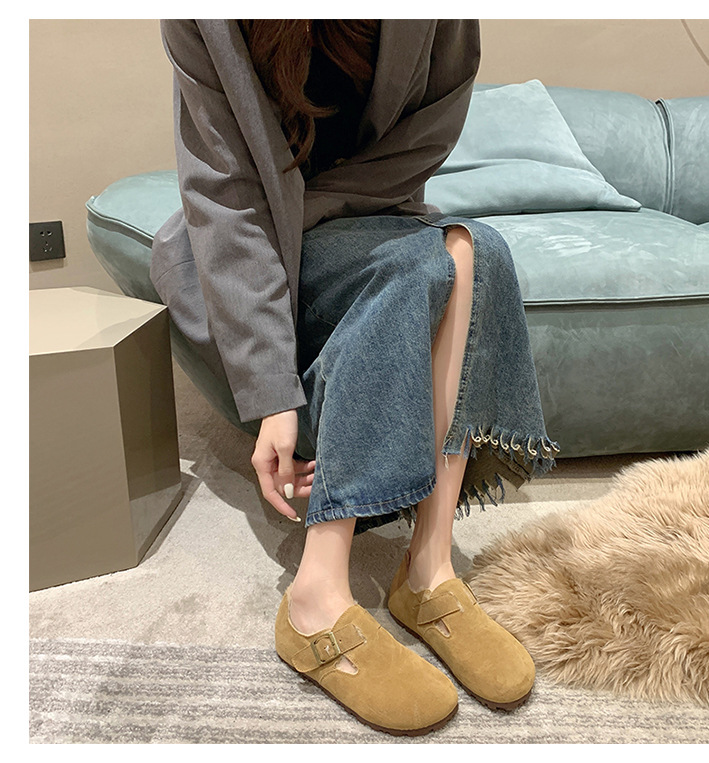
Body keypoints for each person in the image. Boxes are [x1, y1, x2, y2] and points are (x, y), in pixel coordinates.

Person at [152, 19, 559, 736]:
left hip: (369, 212)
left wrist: (319, 207)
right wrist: (273, 397)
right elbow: (225, 190)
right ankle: (315, 594)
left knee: (476, 250)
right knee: (414, 267)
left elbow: (429, 134)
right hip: (254, 242)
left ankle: (428, 571)